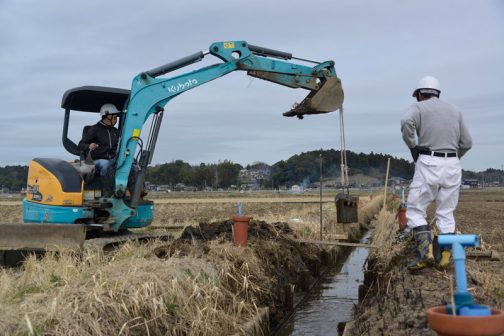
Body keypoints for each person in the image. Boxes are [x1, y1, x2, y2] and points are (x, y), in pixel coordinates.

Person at [400, 76, 472, 271]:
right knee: (446, 212)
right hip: (453, 164)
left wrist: (413, 146)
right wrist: (453, 157)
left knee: (415, 209)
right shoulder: (455, 110)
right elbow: (467, 143)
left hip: (429, 161)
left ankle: (425, 254)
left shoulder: (419, 108)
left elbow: (406, 121)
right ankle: (445, 258)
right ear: (437, 93)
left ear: (420, 94)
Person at [78, 103, 120, 178]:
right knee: (106, 164)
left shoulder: (115, 131)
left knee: (129, 164)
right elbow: (81, 144)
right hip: (97, 160)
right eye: (115, 117)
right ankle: (105, 185)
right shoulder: (94, 129)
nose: (116, 119)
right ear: (108, 117)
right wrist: (89, 146)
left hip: (112, 159)